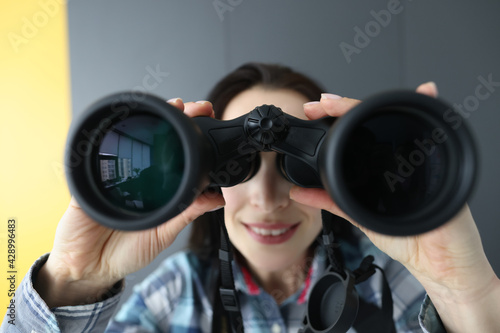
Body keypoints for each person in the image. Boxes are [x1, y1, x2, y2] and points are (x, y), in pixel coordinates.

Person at [2, 63, 499, 333]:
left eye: (296, 165)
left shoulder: (392, 281)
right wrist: (72, 280)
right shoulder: (178, 294)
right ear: (205, 177)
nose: (266, 198)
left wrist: (463, 292)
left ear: (336, 176)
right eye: (237, 167)